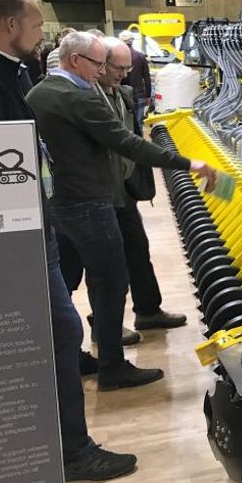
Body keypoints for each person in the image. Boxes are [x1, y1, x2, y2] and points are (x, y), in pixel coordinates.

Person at [0, 0, 136, 481]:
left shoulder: (17, 75)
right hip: (19, 228)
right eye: (34, 27)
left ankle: (68, 440)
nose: (39, 36)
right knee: (63, 325)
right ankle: (72, 451)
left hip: (40, 215)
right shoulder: (3, 81)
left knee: (64, 324)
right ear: (10, 25)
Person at [26, 31, 217, 389]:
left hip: (60, 202)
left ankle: (73, 356)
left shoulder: (40, 92)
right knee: (111, 281)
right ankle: (112, 366)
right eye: (98, 64)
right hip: (88, 202)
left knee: (67, 280)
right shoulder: (76, 97)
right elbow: (126, 142)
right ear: (75, 60)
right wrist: (188, 163)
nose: (101, 72)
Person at [57, 38, 187, 343]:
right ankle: (104, 330)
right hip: (98, 194)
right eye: (117, 67)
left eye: (128, 68)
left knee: (137, 251)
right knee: (102, 266)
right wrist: (185, 164)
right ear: (98, 65)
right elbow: (125, 142)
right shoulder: (85, 97)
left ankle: (148, 310)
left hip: (123, 189)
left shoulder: (123, 94)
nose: (123, 73)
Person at [120, 30, 151, 126]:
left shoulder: (118, 56)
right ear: (132, 41)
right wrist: (148, 95)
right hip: (139, 95)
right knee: (138, 124)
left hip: (123, 95)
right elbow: (147, 77)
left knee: (126, 124)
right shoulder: (140, 56)